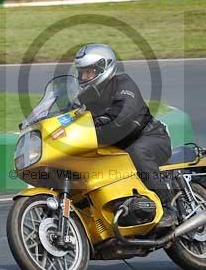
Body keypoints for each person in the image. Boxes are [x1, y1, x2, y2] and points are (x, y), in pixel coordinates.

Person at [74, 43, 176, 227]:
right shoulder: (86, 97)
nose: (84, 77)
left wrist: (101, 120)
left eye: (88, 72)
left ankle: (168, 208)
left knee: (137, 152)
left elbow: (125, 110)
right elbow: (69, 114)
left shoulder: (123, 84)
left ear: (103, 68)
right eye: (81, 72)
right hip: (116, 148)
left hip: (150, 137)